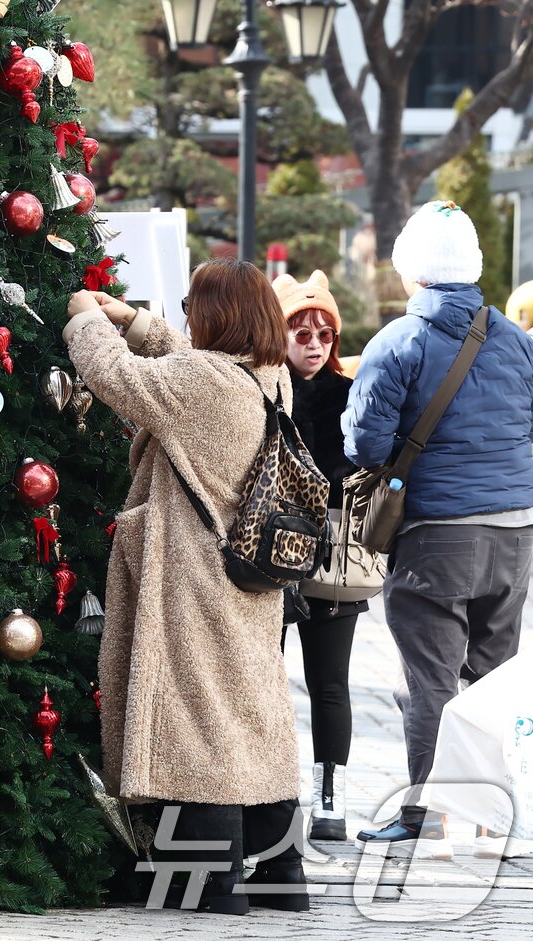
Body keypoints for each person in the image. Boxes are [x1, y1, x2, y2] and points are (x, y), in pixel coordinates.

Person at [64, 258, 309, 916]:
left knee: (198, 720)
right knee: (254, 715)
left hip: (195, 576)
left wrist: (87, 321)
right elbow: (192, 365)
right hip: (250, 575)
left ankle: (209, 880)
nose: (188, 316)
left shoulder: (203, 384)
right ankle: (281, 870)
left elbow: (120, 379)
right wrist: (136, 322)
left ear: (216, 315)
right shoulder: (270, 377)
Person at [345, 200, 533, 859]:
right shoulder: (517, 341)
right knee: (493, 679)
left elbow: (365, 445)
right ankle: (491, 818)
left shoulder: (399, 341)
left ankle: (425, 814)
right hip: (516, 530)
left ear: (412, 270)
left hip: (437, 533)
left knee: (429, 678)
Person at [272, 270, 366, 843]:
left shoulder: (351, 395)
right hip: (267, 558)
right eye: (301, 332)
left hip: (332, 557)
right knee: (264, 679)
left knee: (330, 682)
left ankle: (330, 798)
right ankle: (271, 794)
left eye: (324, 335)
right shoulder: (260, 387)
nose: (314, 344)